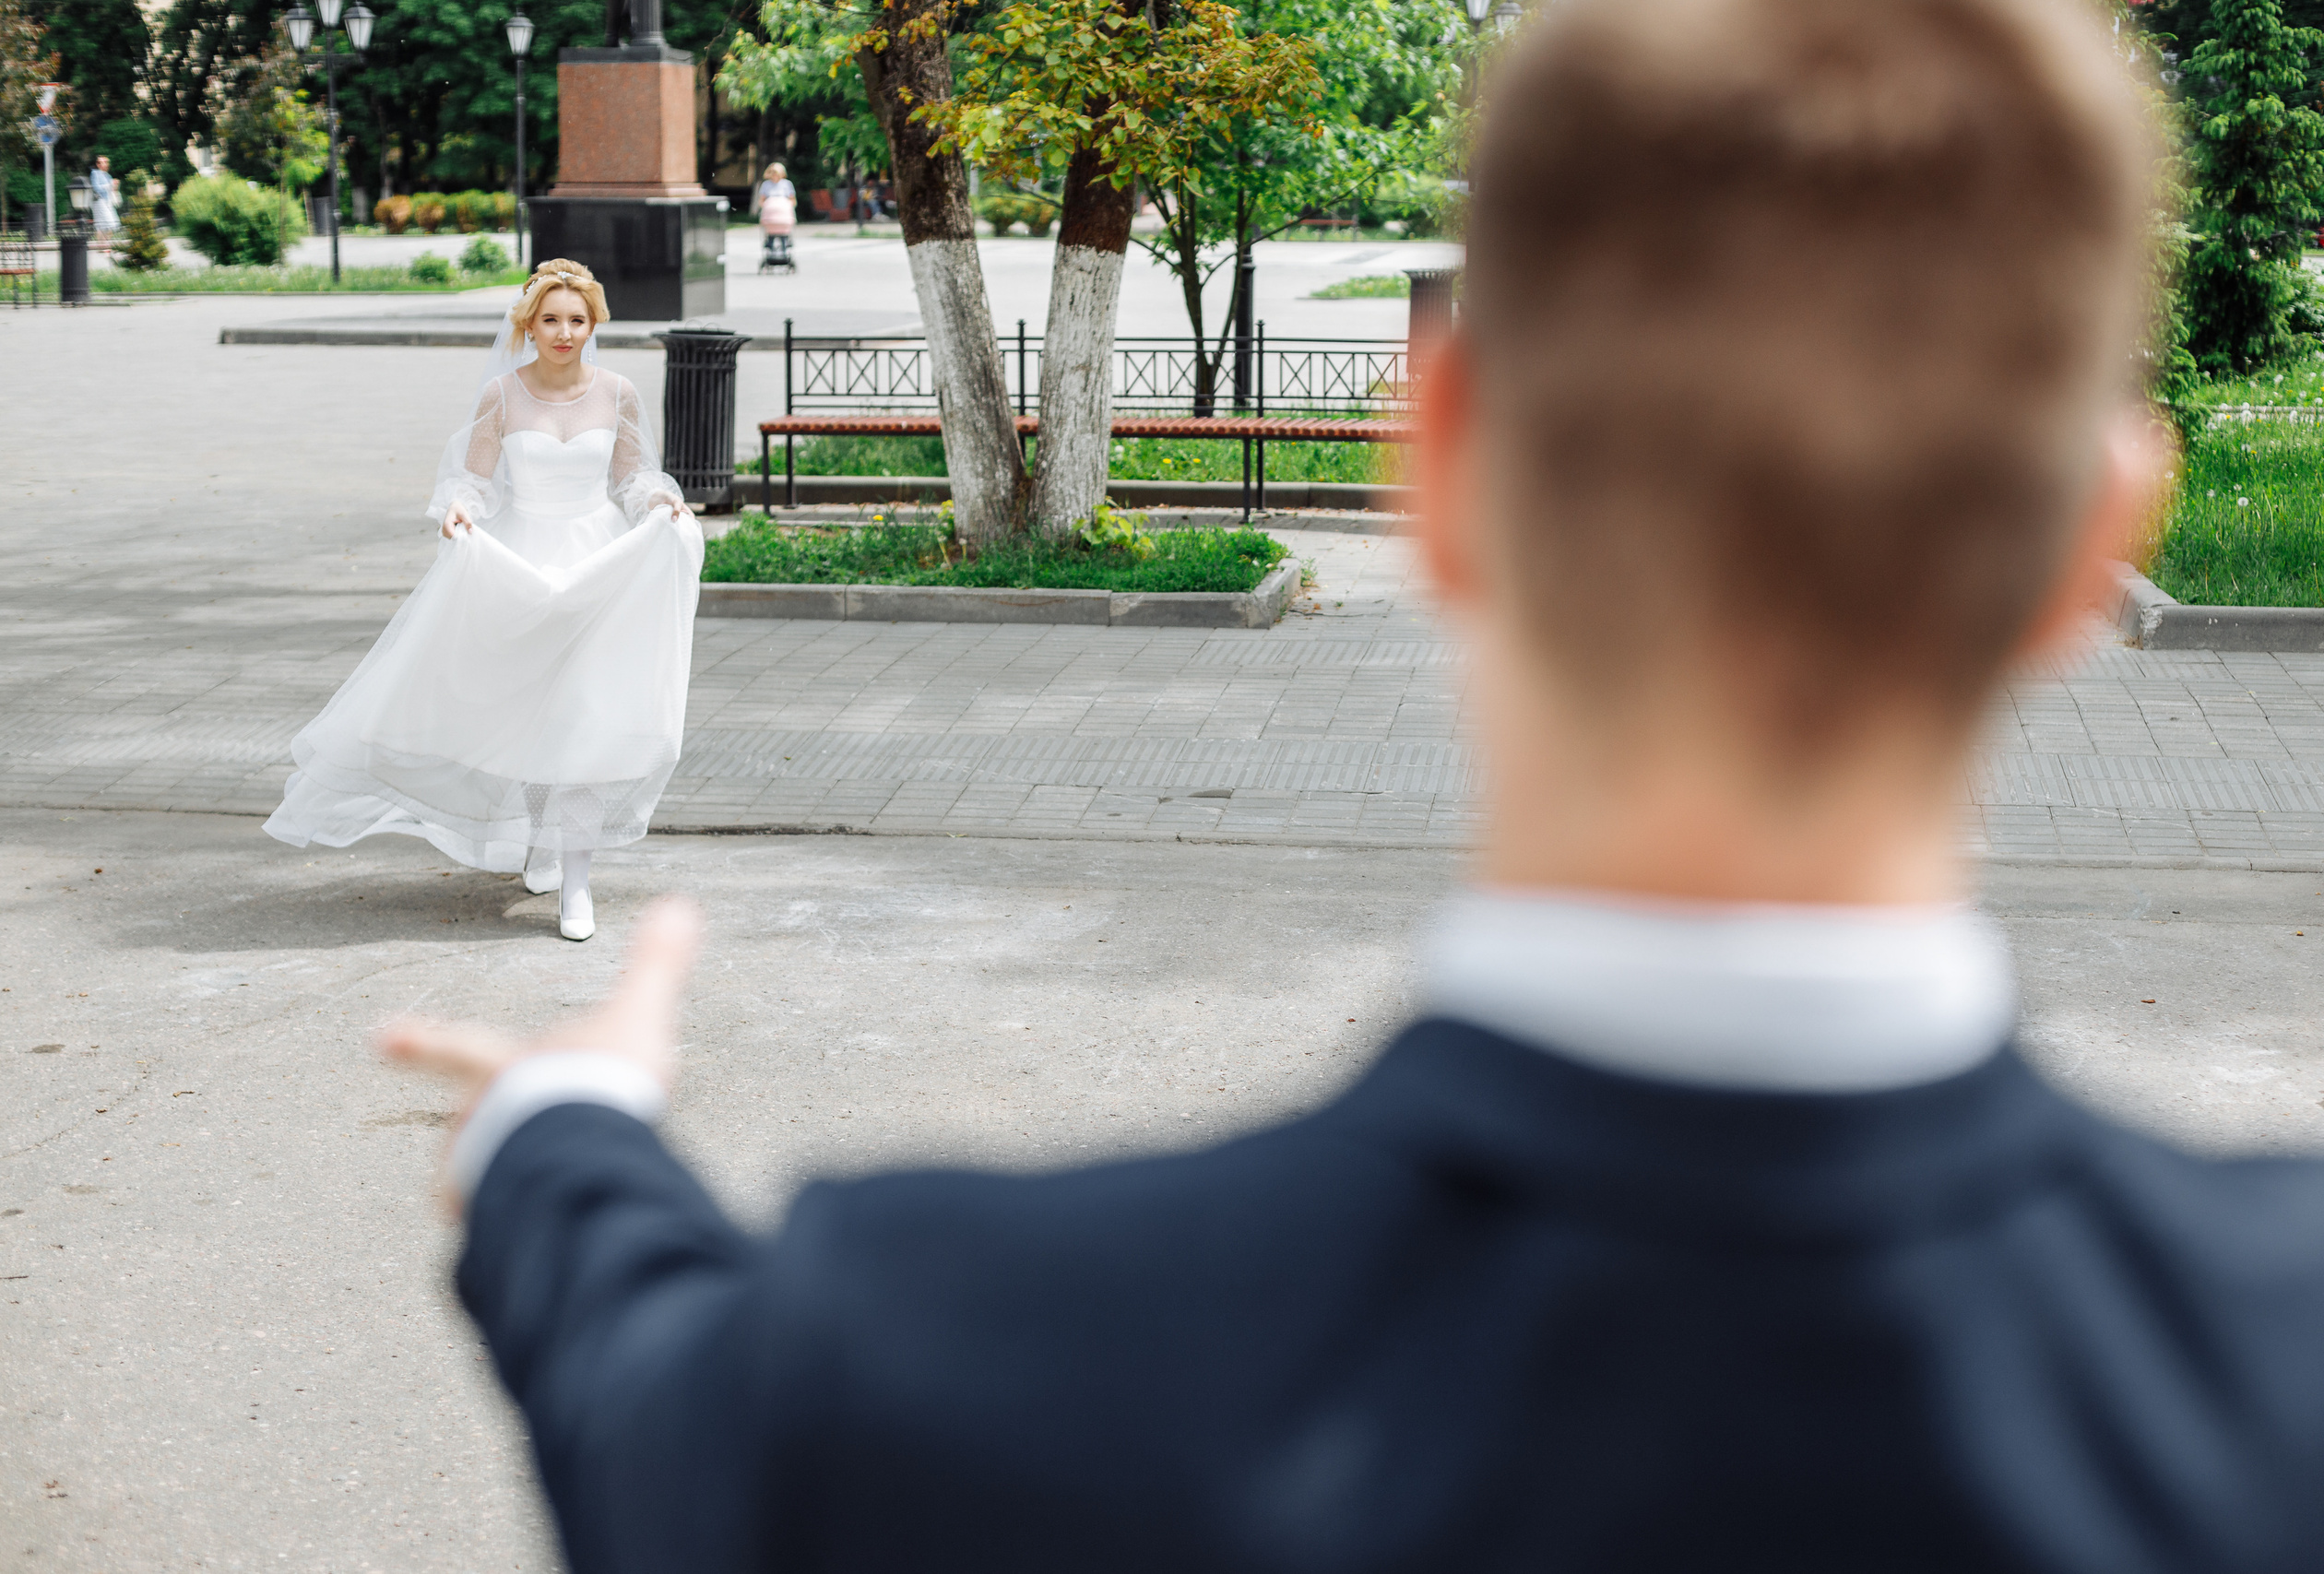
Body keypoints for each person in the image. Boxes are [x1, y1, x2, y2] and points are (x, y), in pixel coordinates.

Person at [383, 1, 2324, 1568]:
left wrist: (566, 1128)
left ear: (1444, 461)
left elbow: (649, 1387)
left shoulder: (934, 1354)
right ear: (2095, 541)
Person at [266, 259, 698, 941]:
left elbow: (630, 480)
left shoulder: (618, 393)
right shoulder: (502, 394)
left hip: (598, 564)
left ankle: (576, 878)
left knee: (587, 712)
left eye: (576, 320)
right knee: (535, 709)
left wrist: (659, 502)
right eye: (550, 319)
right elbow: (475, 480)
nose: (563, 332)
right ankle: (540, 837)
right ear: (528, 323)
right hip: (520, 562)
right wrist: (458, 511)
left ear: (594, 324)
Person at [89, 155, 118, 248]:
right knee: (104, 223)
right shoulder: (95, 173)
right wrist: (109, 185)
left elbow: (111, 190)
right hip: (99, 201)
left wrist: (114, 186)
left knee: (111, 223)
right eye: (102, 162)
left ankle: (104, 243)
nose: (105, 164)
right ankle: (101, 245)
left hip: (107, 201)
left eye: (106, 162)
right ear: (97, 164)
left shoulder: (107, 175)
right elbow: (96, 188)